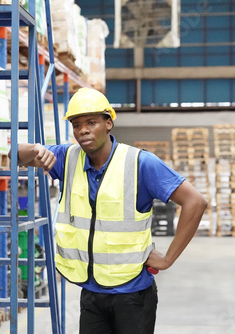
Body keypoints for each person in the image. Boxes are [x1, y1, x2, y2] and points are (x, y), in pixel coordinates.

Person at [16, 88, 208, 334]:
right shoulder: (67, 158)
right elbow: (16, 156)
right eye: (76, 124)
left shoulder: (140, 163)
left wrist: (168, 258)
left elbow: (195, 202)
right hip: (92, 292)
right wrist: (33, 150)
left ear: (109, 123)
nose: (82, 130)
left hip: (133, 294)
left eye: (91, 122)